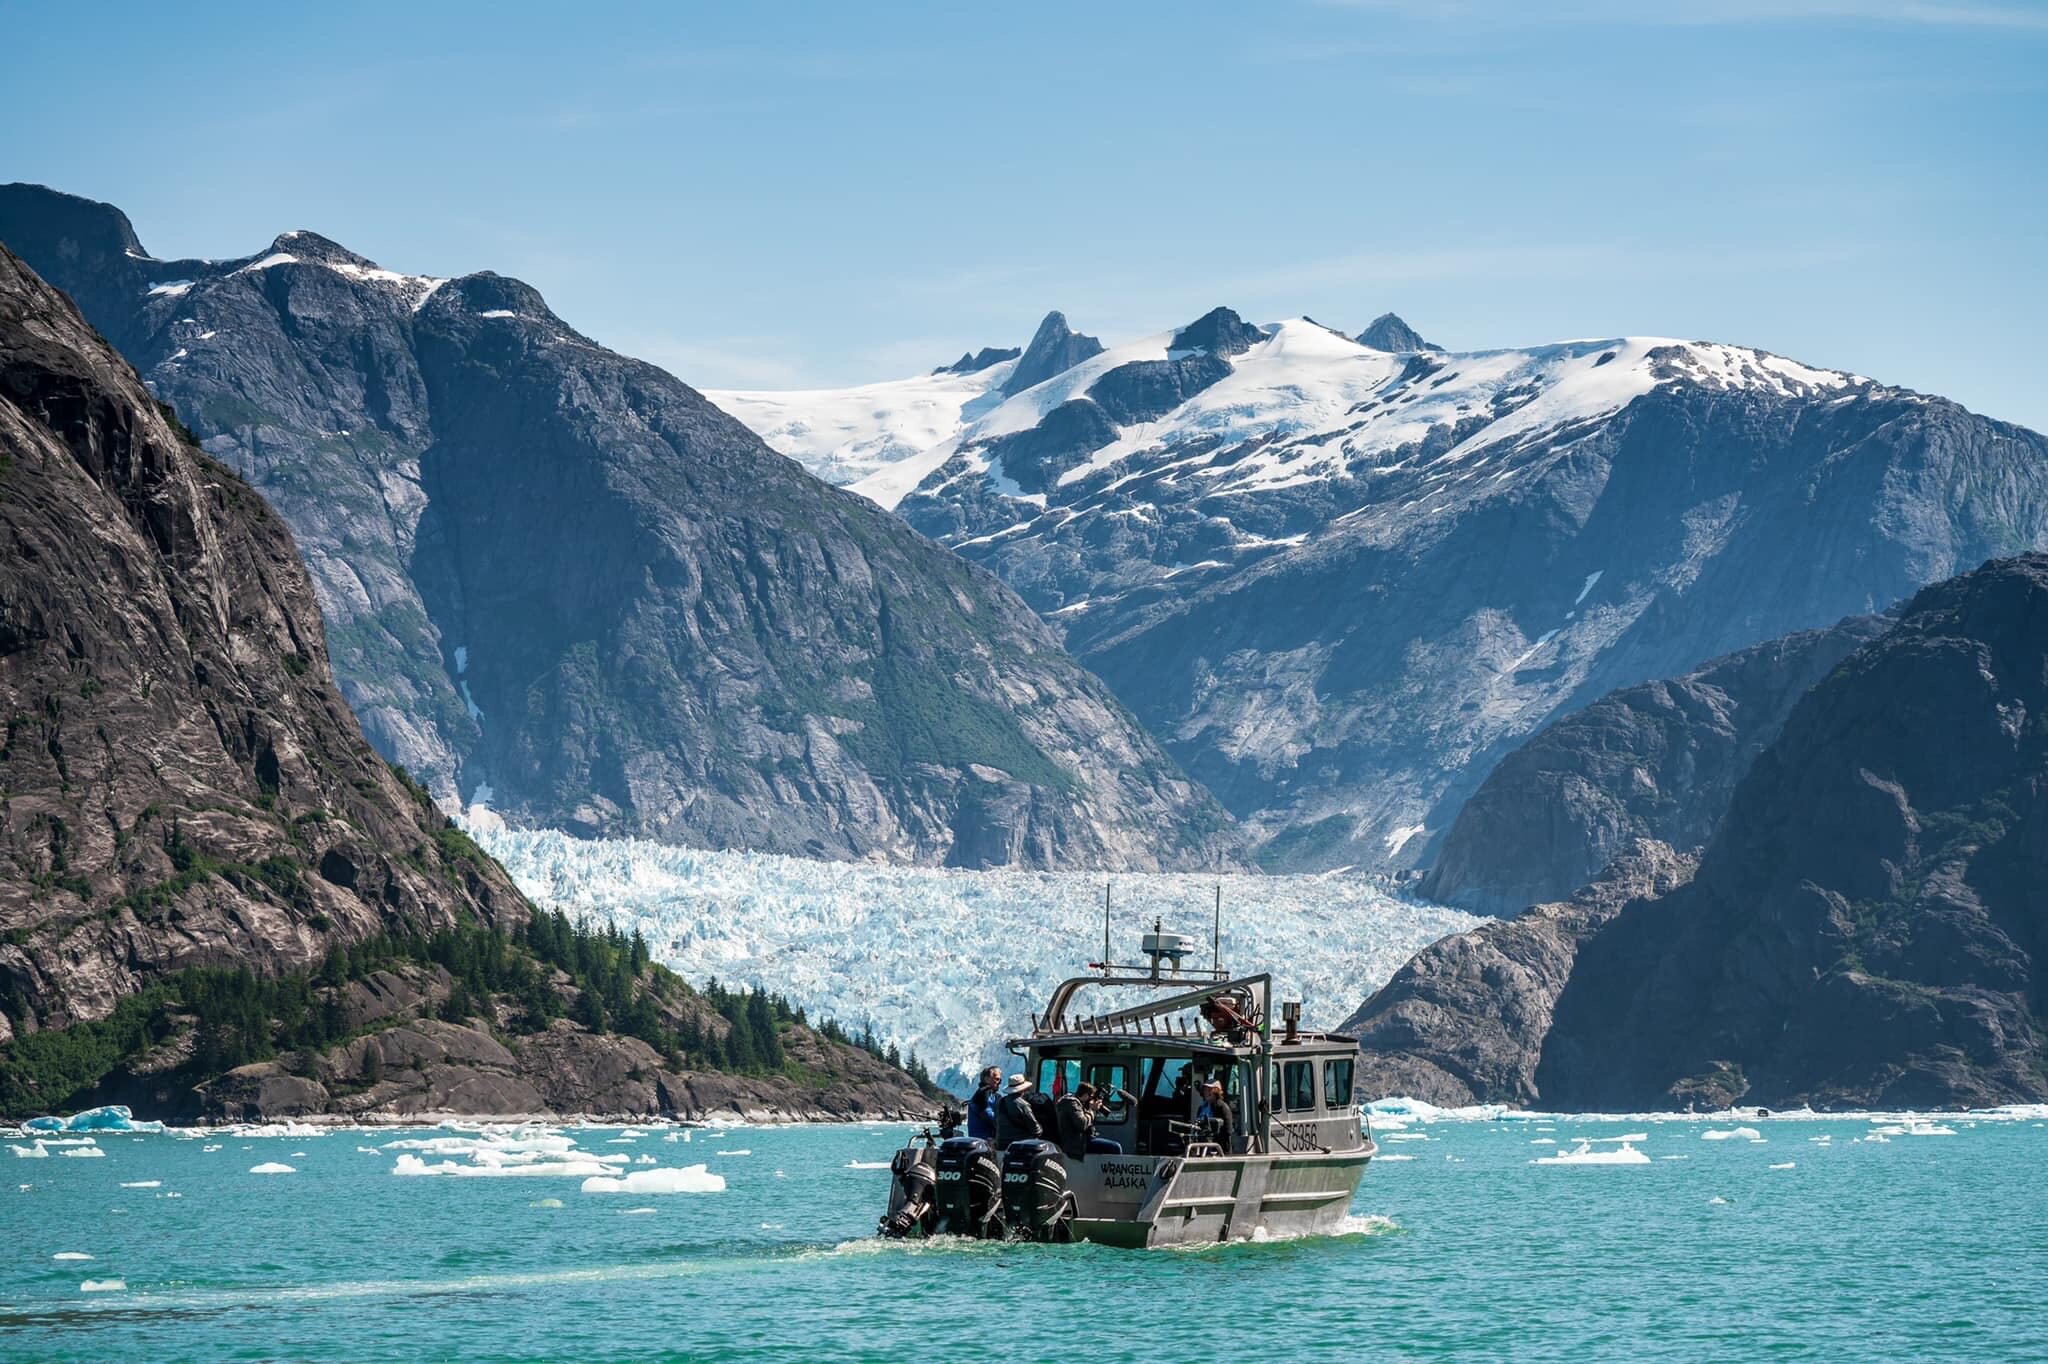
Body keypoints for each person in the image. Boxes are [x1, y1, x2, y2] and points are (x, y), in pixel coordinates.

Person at [1055, 1082, 1123, 1158]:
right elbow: (1082, 1124)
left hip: (1082, 1140)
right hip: (1075, 1144)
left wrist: (1093, 1108)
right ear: (1085, 1095)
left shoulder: (1078, 1102)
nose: (1091, 1099)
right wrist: (1092, 1110)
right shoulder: (1072, 1103)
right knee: (1115, 1147)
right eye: (1090, 1096)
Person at [994, 1073, 1042, 1149]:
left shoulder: (1001, 1102)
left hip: (1001, 1144)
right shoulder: (1023, 1104)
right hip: (1020, 1146)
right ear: (1023, 1089)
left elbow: (996, 1122)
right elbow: (1035, 1129)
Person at [967, 1066, 1001, 1142]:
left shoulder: (991, 1095)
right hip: (984, 1140)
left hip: (980, 1139)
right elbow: (987, 1114)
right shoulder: (983, 1093)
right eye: (997, 1079)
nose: (999, 1082)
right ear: (987, 1079)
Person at [1197, 1079, 1234, 1143]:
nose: (1206, 1093)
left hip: (1218, 1148)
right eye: (1205, 1090)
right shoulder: (1201, 1108)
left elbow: (1228, 1131)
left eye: (1209, 1090)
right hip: (1202, 1146)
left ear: (1216, 1091)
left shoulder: (1223, 1107)